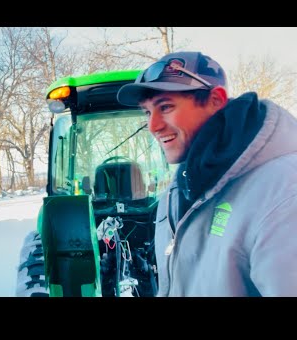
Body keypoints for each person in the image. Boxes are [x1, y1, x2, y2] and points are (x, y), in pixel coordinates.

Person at [117, 51, 297, 296]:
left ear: (216, 100)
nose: (153, 126)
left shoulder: (284, 192)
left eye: (166, 107)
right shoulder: (180, 189)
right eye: (147, 112)